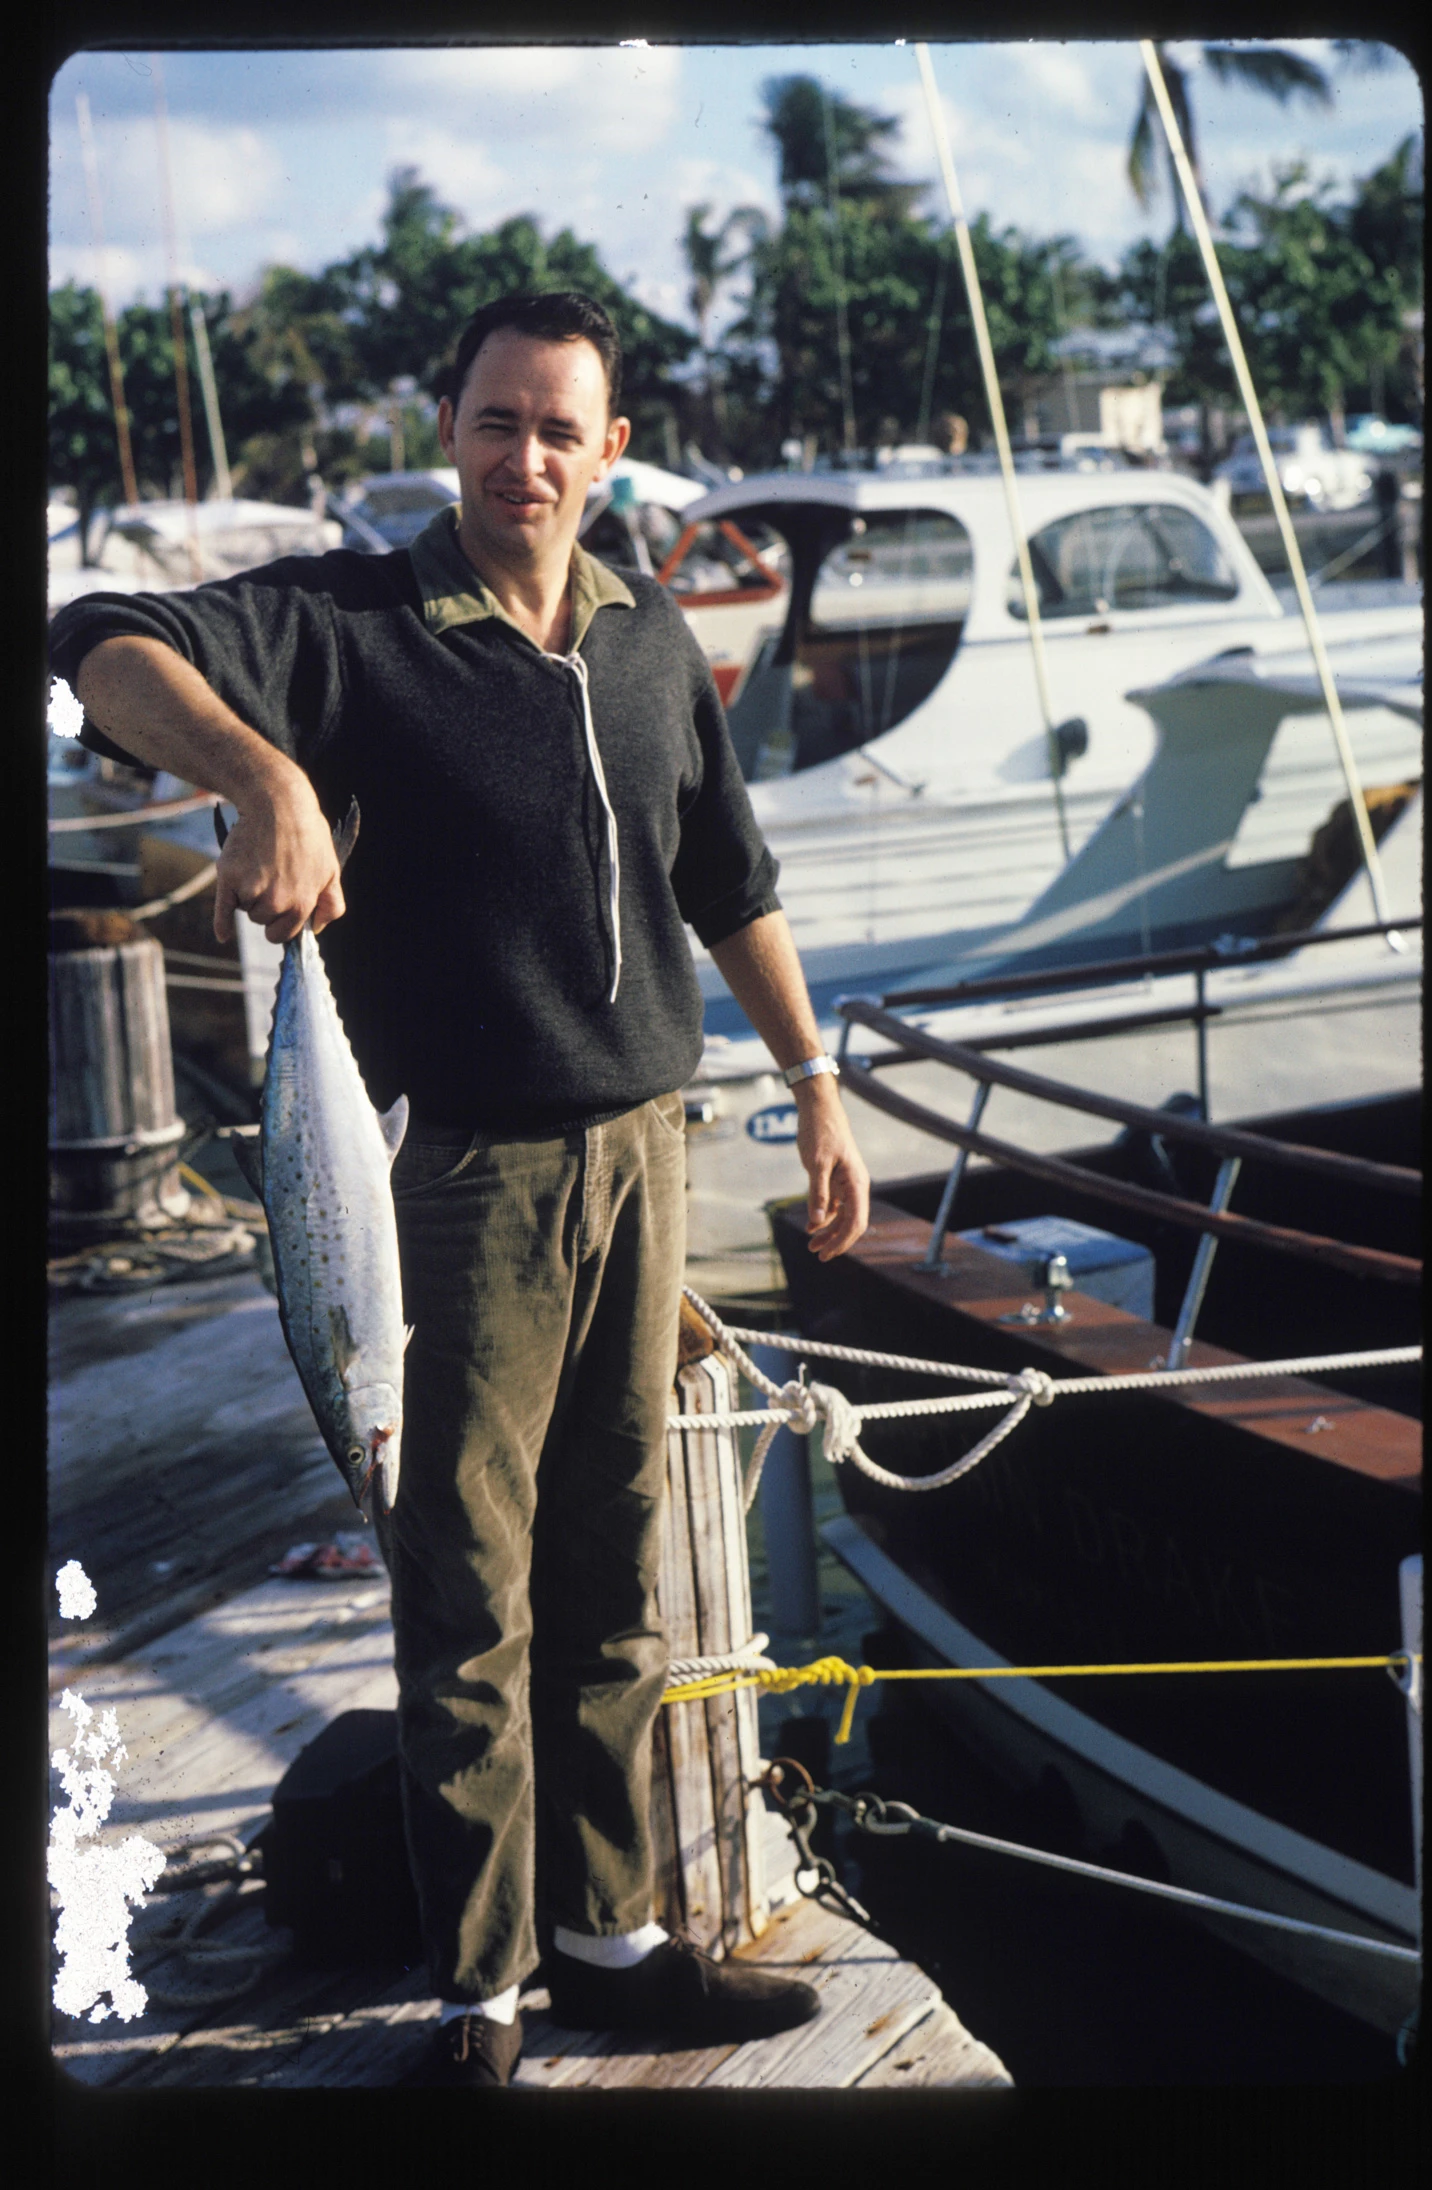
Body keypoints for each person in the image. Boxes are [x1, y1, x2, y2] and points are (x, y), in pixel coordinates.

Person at [49, 291, 871, 2090]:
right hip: (454, 1182)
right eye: (497, 421)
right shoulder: (353, 621)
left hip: (644, 1152)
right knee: (468, 1587)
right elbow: (95, 639)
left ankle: (611, 1935)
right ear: (451, 426)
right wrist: (261, 772)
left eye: (561, 428)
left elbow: (728, 877)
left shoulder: (652, 635)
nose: (527, 458)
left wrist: (815, 1085)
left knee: (613, 1568)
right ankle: (479, 1987)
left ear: (613, 450)